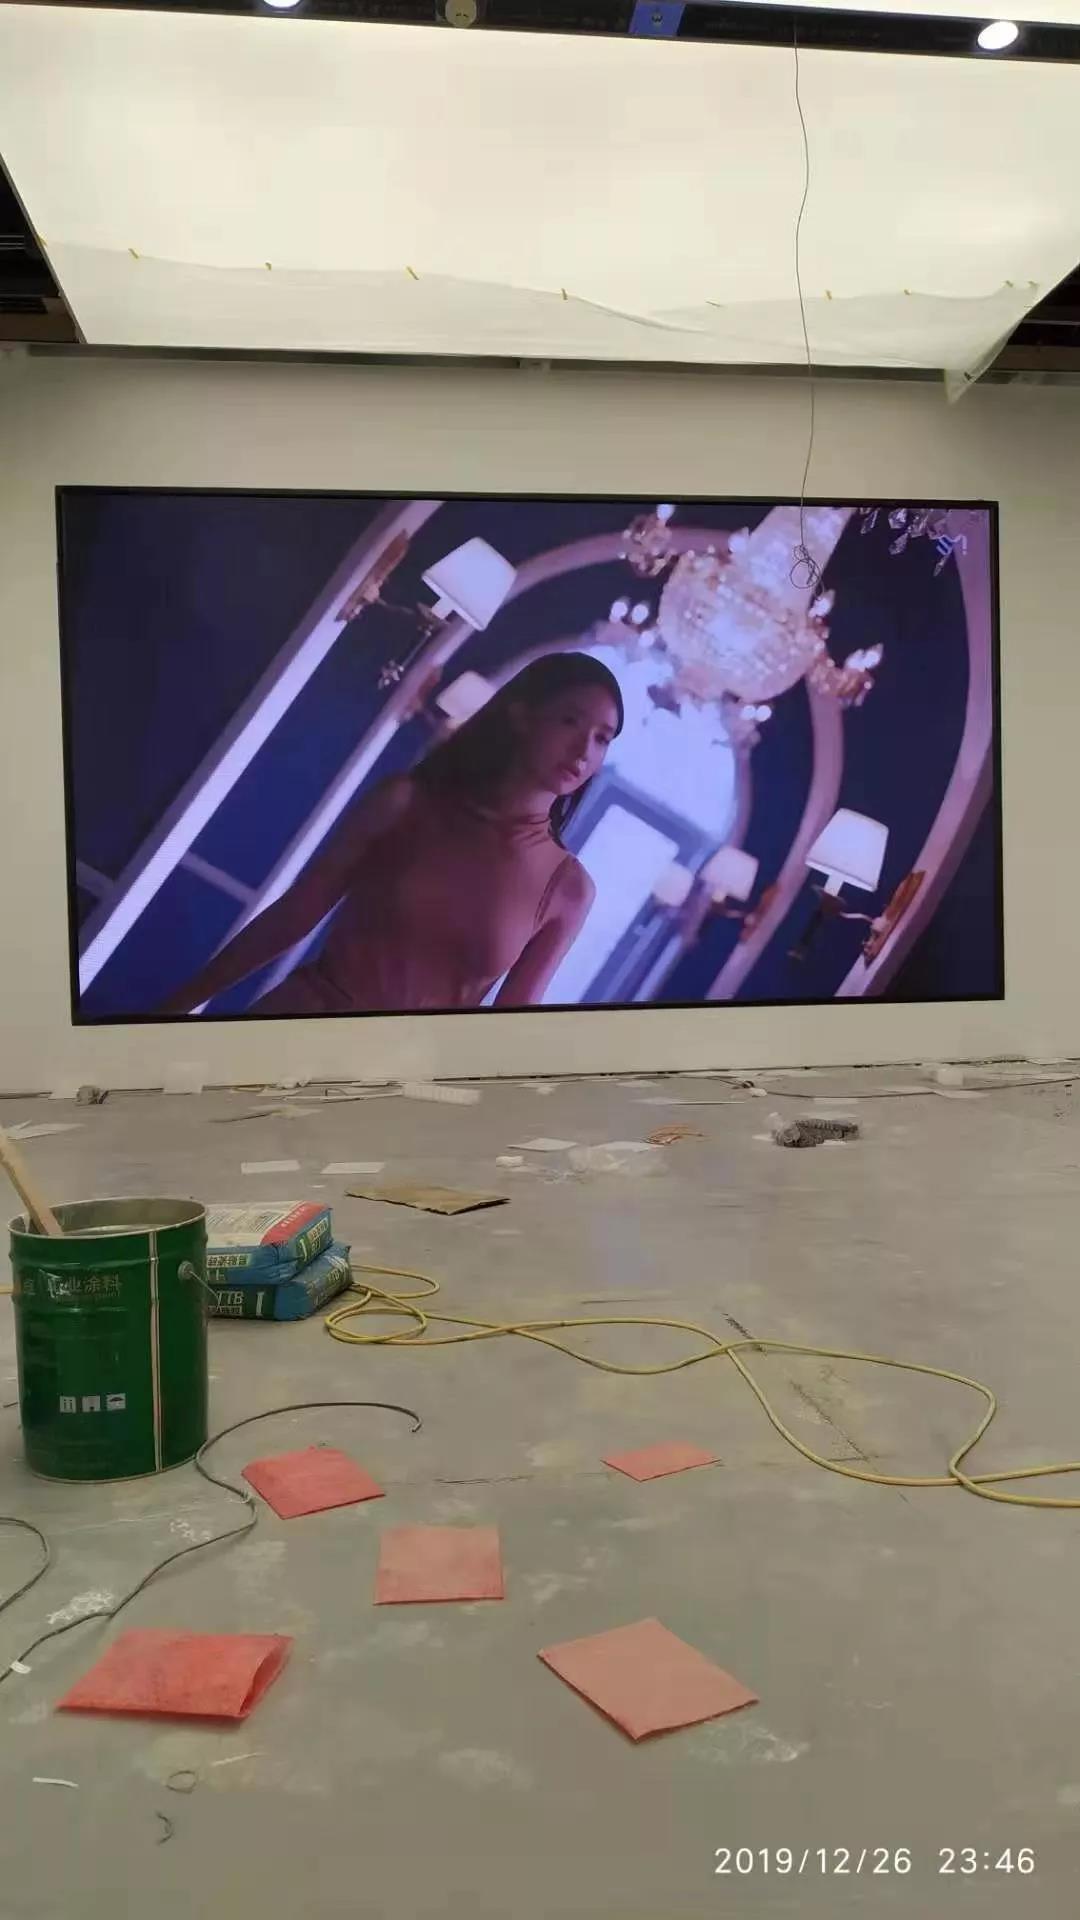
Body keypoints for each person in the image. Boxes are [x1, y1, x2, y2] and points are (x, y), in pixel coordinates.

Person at [158, 651, 624, 1016]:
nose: (583, 748)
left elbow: (509, 1026)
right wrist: (178, 1004)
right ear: (521, 715)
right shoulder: (406, 802)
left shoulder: (568, 889)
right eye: (570, 721)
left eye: (603, 737)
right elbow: (295, 914)